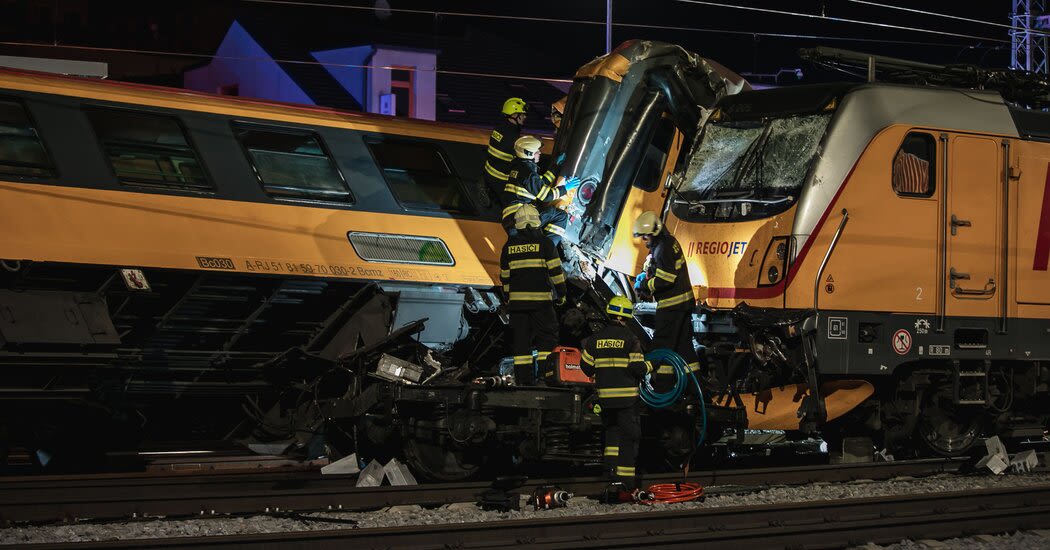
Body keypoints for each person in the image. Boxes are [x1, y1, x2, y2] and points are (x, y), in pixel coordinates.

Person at [580, 295, 652, 501]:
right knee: (629, 438)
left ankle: (610, 475)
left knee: (612, 436)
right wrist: (652, 366)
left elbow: (586, 368)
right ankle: (626, 484)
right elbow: (638, 369)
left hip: (605, 400)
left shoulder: (595, 340)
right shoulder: (631, 340)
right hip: (627, 400)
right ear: (627, 316)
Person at [632, 211, 701, 393]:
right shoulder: (668, 243)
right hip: (683, 305)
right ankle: (695, 388)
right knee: (683, 348)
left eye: (645, 236)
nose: (644, 240)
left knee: (662, 345)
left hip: (671, 307)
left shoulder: (663, 248)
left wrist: (646, 284)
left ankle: (662, 388)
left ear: (654, 232)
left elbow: (666, 279)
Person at [499, 203, 567, 385]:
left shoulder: (508, 247)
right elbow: (556, 273)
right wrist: (562, 294)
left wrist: (507, 298)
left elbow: (505, 278)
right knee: (547, 341)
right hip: (541, 305)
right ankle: (546, 379)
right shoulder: (545, 243)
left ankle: (524, 382)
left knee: (521, 346)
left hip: (518, 307)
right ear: (537, 221)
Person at [502, 135, 577, 246]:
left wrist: (556, 166)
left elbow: (541, 184)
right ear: (528, 154)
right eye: (537, 151)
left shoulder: (519, 168)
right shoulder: (528, 173)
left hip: (513, 219)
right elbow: (546, 195)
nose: (540, 153)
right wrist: (565, 188)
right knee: (560, 216)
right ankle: (548, 249)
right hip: (522, 219)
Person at [483, 97, 528, 205]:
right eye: (522, 114)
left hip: (489, 172)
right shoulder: (512, 135)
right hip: (501, 179)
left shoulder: (499, 128)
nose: (525, 117)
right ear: (514, 115)